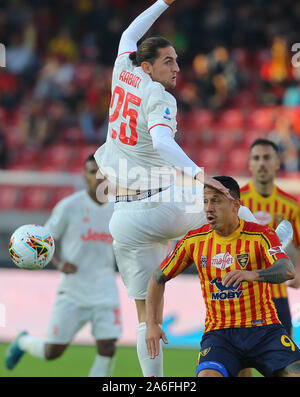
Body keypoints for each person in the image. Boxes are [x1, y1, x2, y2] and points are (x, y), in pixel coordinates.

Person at [93, 0, 256, 377]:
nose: (178, 68)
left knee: (146, 317)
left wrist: (162, 2)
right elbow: (164, 143)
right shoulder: (158, 96)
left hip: (124, 219)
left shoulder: (122, 70)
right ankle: (273, 240)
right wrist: (202, 177)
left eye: (177, 60)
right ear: (148, 67)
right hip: (161, 205)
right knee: (224, 201)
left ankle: (154, 383)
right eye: (169, 61)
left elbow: (128, 35)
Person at [145, 176, 300, 377]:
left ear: (236, 205)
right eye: (205, 201)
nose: (209, 208)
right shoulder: (194, 241)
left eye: (216, 200)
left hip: (265, 330)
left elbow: (287, 269)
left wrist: (253, 274)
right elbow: (157, 278)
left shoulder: (261, 235)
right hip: (220, 336)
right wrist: (151, 324)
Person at [5, 155, 121, 377]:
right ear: (84, 177)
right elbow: (45, 242)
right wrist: (59, 263)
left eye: (102, 171)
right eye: (91, 172)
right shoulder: (69, 206)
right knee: (52, 352)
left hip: (105, 285)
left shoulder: (118, 207)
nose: (97, 177)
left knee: (107, 347)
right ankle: (23, 342)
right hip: (73, 289)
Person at [239, 138, 300, 377]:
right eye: (256, 158)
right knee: (241, 365)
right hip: (242, 296)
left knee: (285, 366)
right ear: (250, 164)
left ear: (277, 163)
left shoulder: (290, 204)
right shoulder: (237, 201)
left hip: (276, 297)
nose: (261, 163)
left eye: (267, 157)